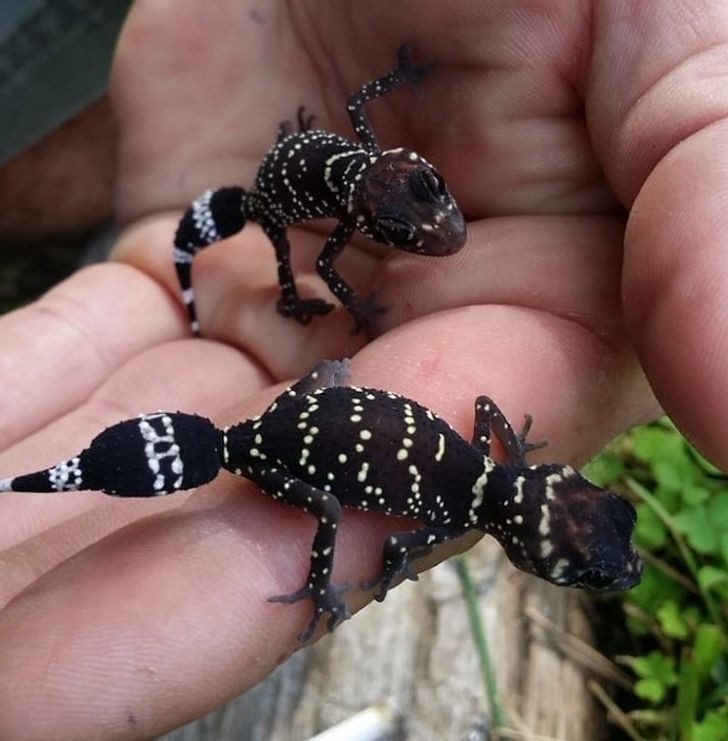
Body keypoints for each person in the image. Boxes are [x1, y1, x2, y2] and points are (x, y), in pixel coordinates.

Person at [1, 1, 726, 737]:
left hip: (305, 404)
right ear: (533, 546)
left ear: (555, 486)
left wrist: (339, 383)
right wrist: (343, 585)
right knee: (326, 507)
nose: (619, 570)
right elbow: (390, 546)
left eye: (598, 561)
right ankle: (45, 475)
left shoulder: (482, 456)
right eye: (594, 569)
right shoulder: (442, 515)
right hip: (271, 447)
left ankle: (47, 473)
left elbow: (484, 406)